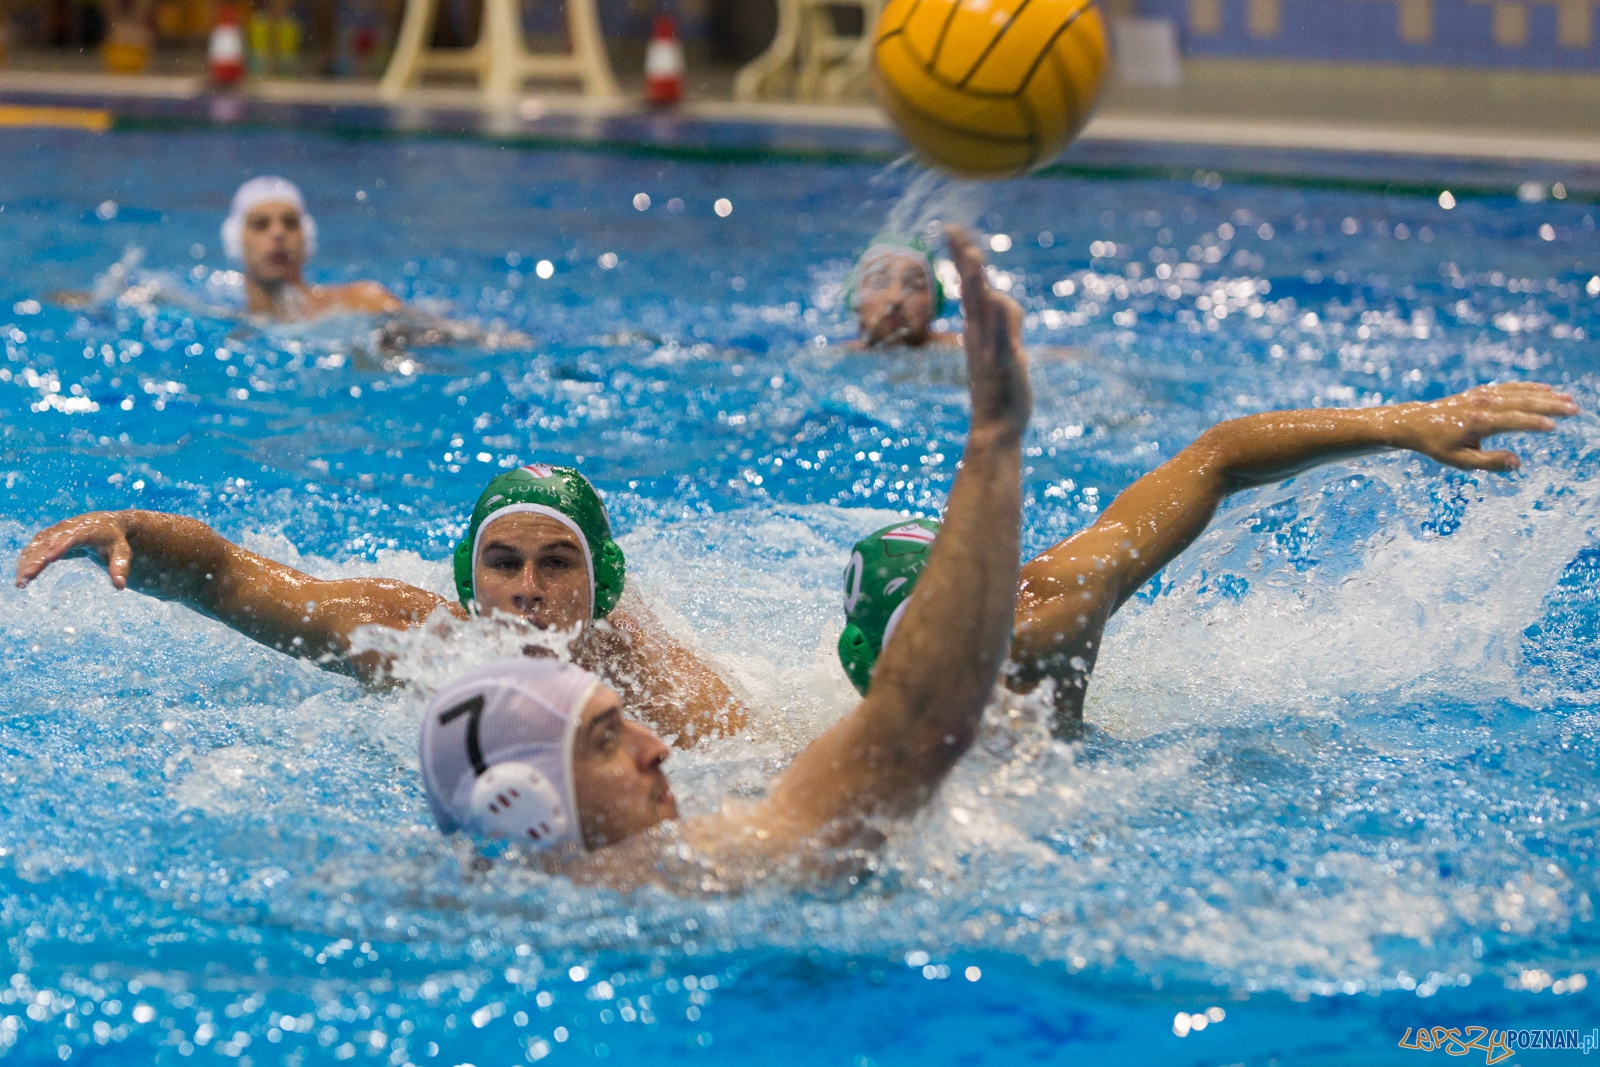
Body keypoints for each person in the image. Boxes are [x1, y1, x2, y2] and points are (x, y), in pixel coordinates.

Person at [418, 226, 1030, 888]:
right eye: (605, 740)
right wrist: (995, 435)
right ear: (524, 800)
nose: (656, 748)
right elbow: (916, 731)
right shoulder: (682, 875)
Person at [838, 381, 1580, 736]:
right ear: (881, 675)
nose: (978, 666)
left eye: (979, 625)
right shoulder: (851, 763)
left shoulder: (1049, 611)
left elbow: (1217, 457)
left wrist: (1400, 422)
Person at [14, 463, 743, 745]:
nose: (528, 589)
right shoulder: (413, 638)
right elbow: (231, 577)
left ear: (600, 583)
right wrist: (129, 530)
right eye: (503, 562)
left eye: (557, 564)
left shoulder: (669, 696)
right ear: (470, 578)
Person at [223, 176, 401, 321]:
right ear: (235, 240)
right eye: (261, 224)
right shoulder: (228, 322)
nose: (278, 233)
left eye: (290, 223)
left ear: (306, 237)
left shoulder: (363, 302)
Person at [847, 235, 960, 350]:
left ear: (935, 302)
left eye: (915, 285)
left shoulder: (964, 350)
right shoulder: (837, 357)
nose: (895, 298)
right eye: (879, 282)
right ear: (855, 300)